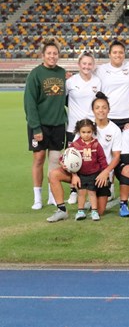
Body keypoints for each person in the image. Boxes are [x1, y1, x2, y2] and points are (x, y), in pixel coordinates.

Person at [24, 39, 67, 210]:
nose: (52, 56)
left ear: (58, 55)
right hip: (40, 125)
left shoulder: (62, 72)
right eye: (49, 53)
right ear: (43, 55)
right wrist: (35, 127)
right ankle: (37, 198)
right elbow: (29, 103)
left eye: (55, 53)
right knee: (39, 158)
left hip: (58, 124)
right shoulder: (35, 74)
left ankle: (52, 195)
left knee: (55, 161)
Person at [47, 119, 109, 222]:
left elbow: (102, 159)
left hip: (94, 174)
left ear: (93, 131)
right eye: (83, 132)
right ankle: (80, 211)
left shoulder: (96, 145)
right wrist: (64, 163)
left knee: (92, 193)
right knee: (81, 193)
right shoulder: (75, 145)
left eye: (89, 132)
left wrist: (104, 173)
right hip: (81, 175)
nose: (86, 135)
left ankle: (94, 211)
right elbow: (64, 157)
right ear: (78, 132)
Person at [64, 52, 101, 206]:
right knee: (73, 160)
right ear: (79, 65)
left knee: (91, 160)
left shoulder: (98, 81)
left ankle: (93, 189)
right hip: (73, 128)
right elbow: (64, 100)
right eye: (84, 64)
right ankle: (74, 190)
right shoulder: (70, 82)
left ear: (93, 65)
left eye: (89, 64)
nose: (86, 67)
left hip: (92, 128)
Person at [90, 92, 123, 212]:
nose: (101, 111)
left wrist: (106, 172)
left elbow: (117, 156)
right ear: (93, 110)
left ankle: (100, 192)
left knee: (100, 211)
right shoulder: (86, 126)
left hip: (103, 172)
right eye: (97, 108)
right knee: (54, 174)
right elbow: (74, 149)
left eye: (104, 107)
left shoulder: (114, 129)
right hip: (86, 172)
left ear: (109, 110)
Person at [95, 40, 129, 129]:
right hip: (108, 116)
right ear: (109, 55)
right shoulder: (101, 69)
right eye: (115, 52)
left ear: (124, 54)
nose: (118, 55)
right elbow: (86, 71)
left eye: (121, 52)